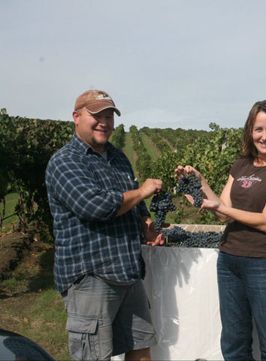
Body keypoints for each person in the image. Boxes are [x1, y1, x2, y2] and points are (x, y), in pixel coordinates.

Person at [176, 100, 266, 361]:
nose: (264, 136)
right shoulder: (241, 165)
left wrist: (220, 207)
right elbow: (223, 211)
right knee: (234, 344)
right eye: (258, 129)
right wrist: (201, 186)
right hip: (230, 261)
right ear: (250, 131)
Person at [45, 89, 164, 361]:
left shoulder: (118, 158)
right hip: (91, 277)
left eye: (109, 116)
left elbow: (134, 203)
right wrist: (143, 191)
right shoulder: (64, 162)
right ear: (76, 117)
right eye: (96, 115)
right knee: (94, 356)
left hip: (127, 273)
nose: (104, 122)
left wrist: (145, 224)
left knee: (141, 350)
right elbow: (95, 206)